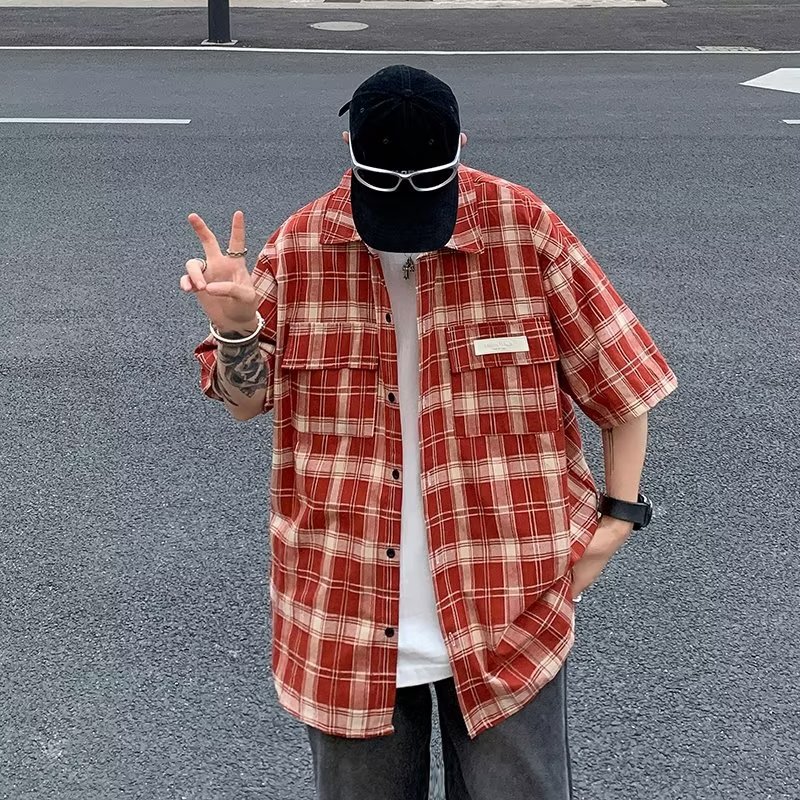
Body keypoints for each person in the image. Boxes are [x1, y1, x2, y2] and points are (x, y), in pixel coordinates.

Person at [182, 64, 678, 800]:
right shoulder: (301, 246)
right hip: (344, 615)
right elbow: (245, 402)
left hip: (510, 606)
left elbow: (623, 383)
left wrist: (617, 522)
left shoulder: (523, 228)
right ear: (349, 148)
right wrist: (236, 329)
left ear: (461, 146)